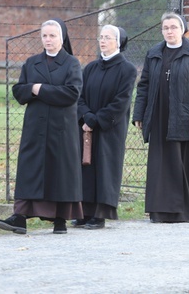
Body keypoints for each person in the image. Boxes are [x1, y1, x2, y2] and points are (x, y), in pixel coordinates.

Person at [0, 18, 83, 235]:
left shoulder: (72, 63)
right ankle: (20, 217)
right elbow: (19, 91)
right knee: (30, 170)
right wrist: (33, 89)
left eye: (52, 35)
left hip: (61, 129)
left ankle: (60, 219)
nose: (48, 40)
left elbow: (71, 93)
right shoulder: (31, 62)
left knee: (60, 173)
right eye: (44, 35)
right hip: (35, 127)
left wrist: (38, 89)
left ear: (61, 38)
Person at [133, 13, 189, 223]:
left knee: (183, 164)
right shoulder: (154, 53)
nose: (169, 31)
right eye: (165, 28)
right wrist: (139, 114)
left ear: (183, 29)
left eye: (173, 27)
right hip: (158, 117)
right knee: (160, 165)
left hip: (185, 117)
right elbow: (144, 86)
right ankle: (159, 211)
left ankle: (183, 211)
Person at [75, 25, 138, 229]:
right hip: (87, 127)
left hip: (110, 128)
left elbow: (121, 101)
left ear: (118, 42)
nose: (102, 41)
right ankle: (84, 212)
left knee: (105, 168)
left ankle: (100, 214)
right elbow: (80, 96)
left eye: (108, 38)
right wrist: (86, 116)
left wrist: (97, 119)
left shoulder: (127, 69)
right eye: (101, 37)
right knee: (86, 167)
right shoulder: (92, 67)